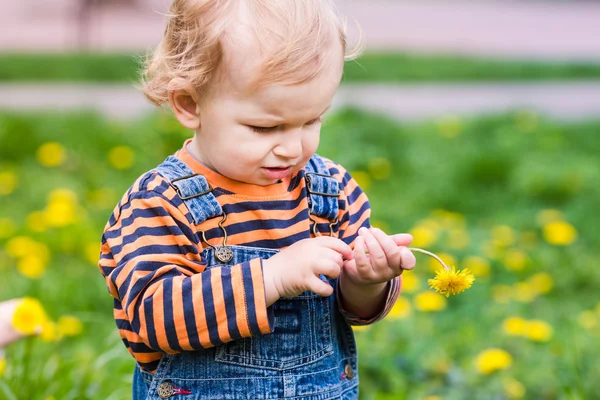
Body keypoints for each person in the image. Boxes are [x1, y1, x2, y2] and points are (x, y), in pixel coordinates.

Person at [98, 0, 417, 398]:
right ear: (190, 104)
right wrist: (271, 278)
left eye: (312, 120)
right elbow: (153, 319)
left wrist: (366, 280)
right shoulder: (161, 203)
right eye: (266, 127)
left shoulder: (330, 189)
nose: (291, 147)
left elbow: (354, 310)